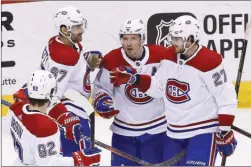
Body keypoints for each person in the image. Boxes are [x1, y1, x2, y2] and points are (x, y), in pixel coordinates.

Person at [110, 15, 238, 166]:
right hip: (173, 133)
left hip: (203, 132)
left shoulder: (210, 61)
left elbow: (226, 97)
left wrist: (224, 131)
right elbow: (158, 87)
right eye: (173, 38)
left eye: (177, 39)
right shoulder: (169, 56)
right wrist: (134, 79)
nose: (173, 43)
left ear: (190, 39)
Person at [12, 6, 102, 157]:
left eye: (81, 25)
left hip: (71, 101)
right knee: (77, 157)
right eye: (77, 27)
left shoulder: (58, 42)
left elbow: (67, 71)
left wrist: (85, 65)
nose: (82, 30)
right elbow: (52, 94)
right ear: (65, 30)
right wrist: (64, 117)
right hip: (70, 108)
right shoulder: (64, 58)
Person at [92, 19, 170, 166]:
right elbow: (101, 87)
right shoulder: (112, 59)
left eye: (133, 38)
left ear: (142, 39)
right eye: (125, 38)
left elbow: (163, 87)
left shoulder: (160, 55)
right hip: (123, 133)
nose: (129, 43)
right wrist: (101, 99)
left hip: (157, 131)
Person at [3, 70, 101, 166]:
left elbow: (4, 128)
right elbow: (50, 164)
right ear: (51, 92)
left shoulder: (16, 109)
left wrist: (64, 117)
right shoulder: (47, 127)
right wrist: (80, 159)